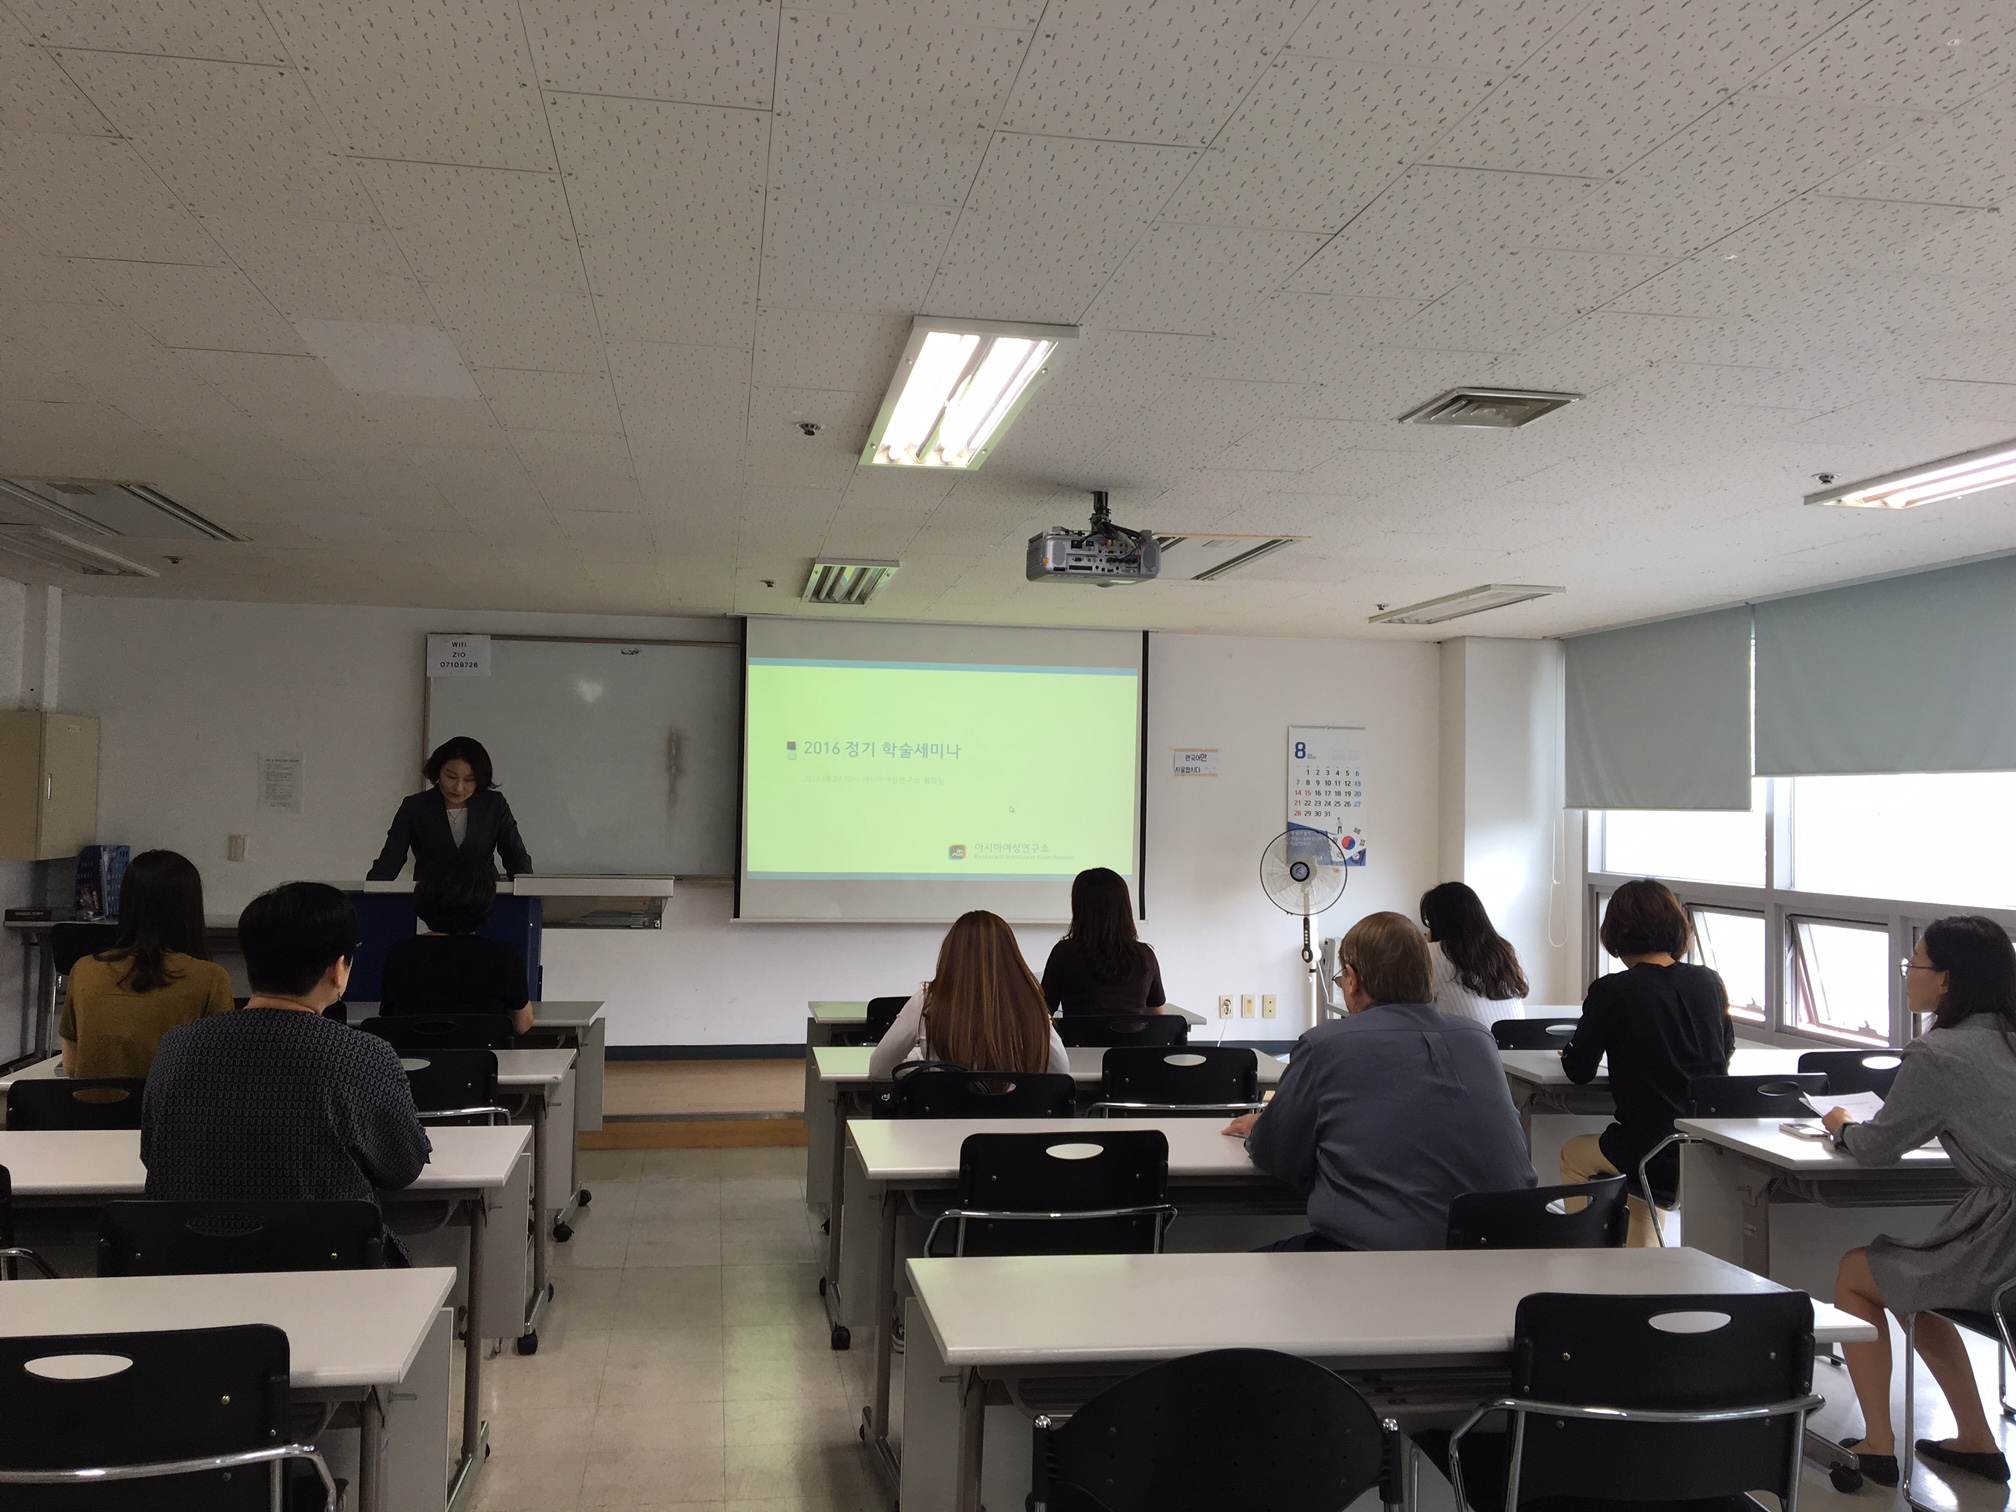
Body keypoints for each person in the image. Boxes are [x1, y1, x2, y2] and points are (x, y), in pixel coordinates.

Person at [1823, 916, 2016, 1488]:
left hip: (2001, 1243)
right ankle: (1975, 1439)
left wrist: (1841, 1126)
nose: (1907, 973)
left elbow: (1878, 1148)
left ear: (1947, 980)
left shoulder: (1939, 1053)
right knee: (1917, 1286)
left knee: (1857, 1274)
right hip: (2006, 1250)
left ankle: (1877, 1446)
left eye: (1915, 964)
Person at [141, 882, 431, 1260]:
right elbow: (402, 1168)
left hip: (191, 1265)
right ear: (337, 968)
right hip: (330, 1267)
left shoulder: (176, 1047)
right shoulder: (364, 1056)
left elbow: (153, 1154)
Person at [1222, 911, 1535, 1250]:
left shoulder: (1324, 1045)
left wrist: (1263, 1127)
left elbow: (1278, 1155)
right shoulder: (1478, 1040)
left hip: (1383, 1261)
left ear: (1352, 979)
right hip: (1507, 1252)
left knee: (1236, 1274)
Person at [1559, 879, 1733, 1246]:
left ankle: (1583, 1255)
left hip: (1650, 1152)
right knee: (1638, 1175)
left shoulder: (1612, 990)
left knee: (1573, 1155)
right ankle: (1644, 1262)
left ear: (1615, 933)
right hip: (1706, 1149)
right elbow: (1724, 1049)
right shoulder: (1709, 983)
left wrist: (1576, 1048)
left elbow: (1579, 1070)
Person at [60, 849, 233, 1079]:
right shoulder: (210, 978)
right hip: (170, 1103)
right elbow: (219, 1068)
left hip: (92, 1102)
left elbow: (71, 1065)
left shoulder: (84, 970)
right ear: (191, 907)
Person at [870, 910, 1070, 1079]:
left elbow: (879, 1069)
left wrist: (922, 1061)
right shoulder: (1029, 1004)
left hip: (944, 1113)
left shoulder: (926, 1001)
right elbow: (1060, 1070)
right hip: (1014, 1114)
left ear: (951, 954)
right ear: (1011, 957)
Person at [381, 853, 533, 1035]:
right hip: (483, 1053)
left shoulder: (399, 954)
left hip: (416, 1053)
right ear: (484, 900)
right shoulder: (503, 956)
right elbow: (521, 1025)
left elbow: (389, 1020)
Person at [368, 735, 532, 881]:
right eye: (451, 777)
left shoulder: (494, 805)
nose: (458, 787)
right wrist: (369, 895)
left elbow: (516, 857)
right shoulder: (415, 807)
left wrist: (528, 891)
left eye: (469, 780)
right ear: (438, 771)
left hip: (485, 897)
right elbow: (390, 861)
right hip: (430, 897)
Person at [1041, 868, 1167, 1017]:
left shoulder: (1064, 954)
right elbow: (1157, 1013)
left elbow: (1043, 1010)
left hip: (1081, 1033)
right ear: (1124, 908)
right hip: (1131, 1033)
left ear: (1079, 909)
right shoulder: (1145, 956)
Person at [1419, 882, 1528, 1026]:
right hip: (1517, 1039)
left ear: (1438, 922)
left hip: (1472, 1040)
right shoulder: (1502, 950)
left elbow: (1413, 1006)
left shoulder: (1435, 953)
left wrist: (1426, 943)